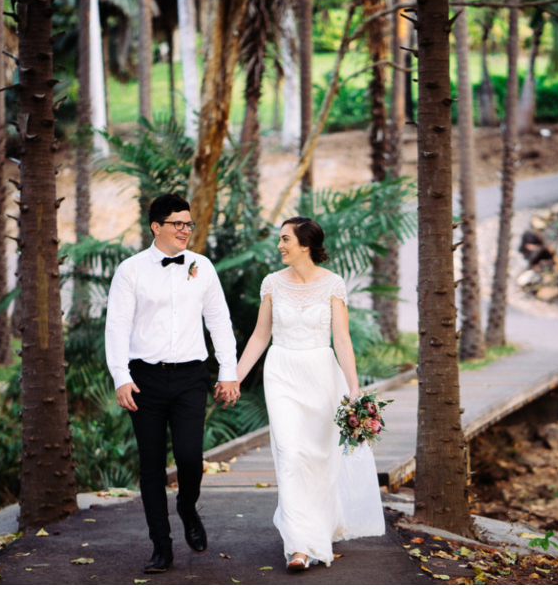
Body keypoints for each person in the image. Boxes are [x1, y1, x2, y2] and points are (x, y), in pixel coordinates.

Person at [232, 217, 384, 571]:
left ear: (305, 244)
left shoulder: (333, 284)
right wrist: (235, 377)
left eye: (285, 239)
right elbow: (260, 336)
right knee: (289, 453)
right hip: (281, 372)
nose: (279, 245)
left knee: (318, 456)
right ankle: (299, 546)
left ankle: (319, 524)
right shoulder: (272, 284)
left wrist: (354, 388)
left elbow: (342, 340)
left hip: (320, 373)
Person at [103, 193, 240, 574]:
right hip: (143, 378)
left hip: (190, 376)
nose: (185, 230)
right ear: (156, 227)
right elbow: (117, 327)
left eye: (188, 223)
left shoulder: (202, 266)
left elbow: (219, 321)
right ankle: (161, 547)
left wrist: (228, 370)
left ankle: (186, 506)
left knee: (190, 457)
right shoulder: (130, 270)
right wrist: (121, 377)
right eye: (177, 223)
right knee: (150, 466)